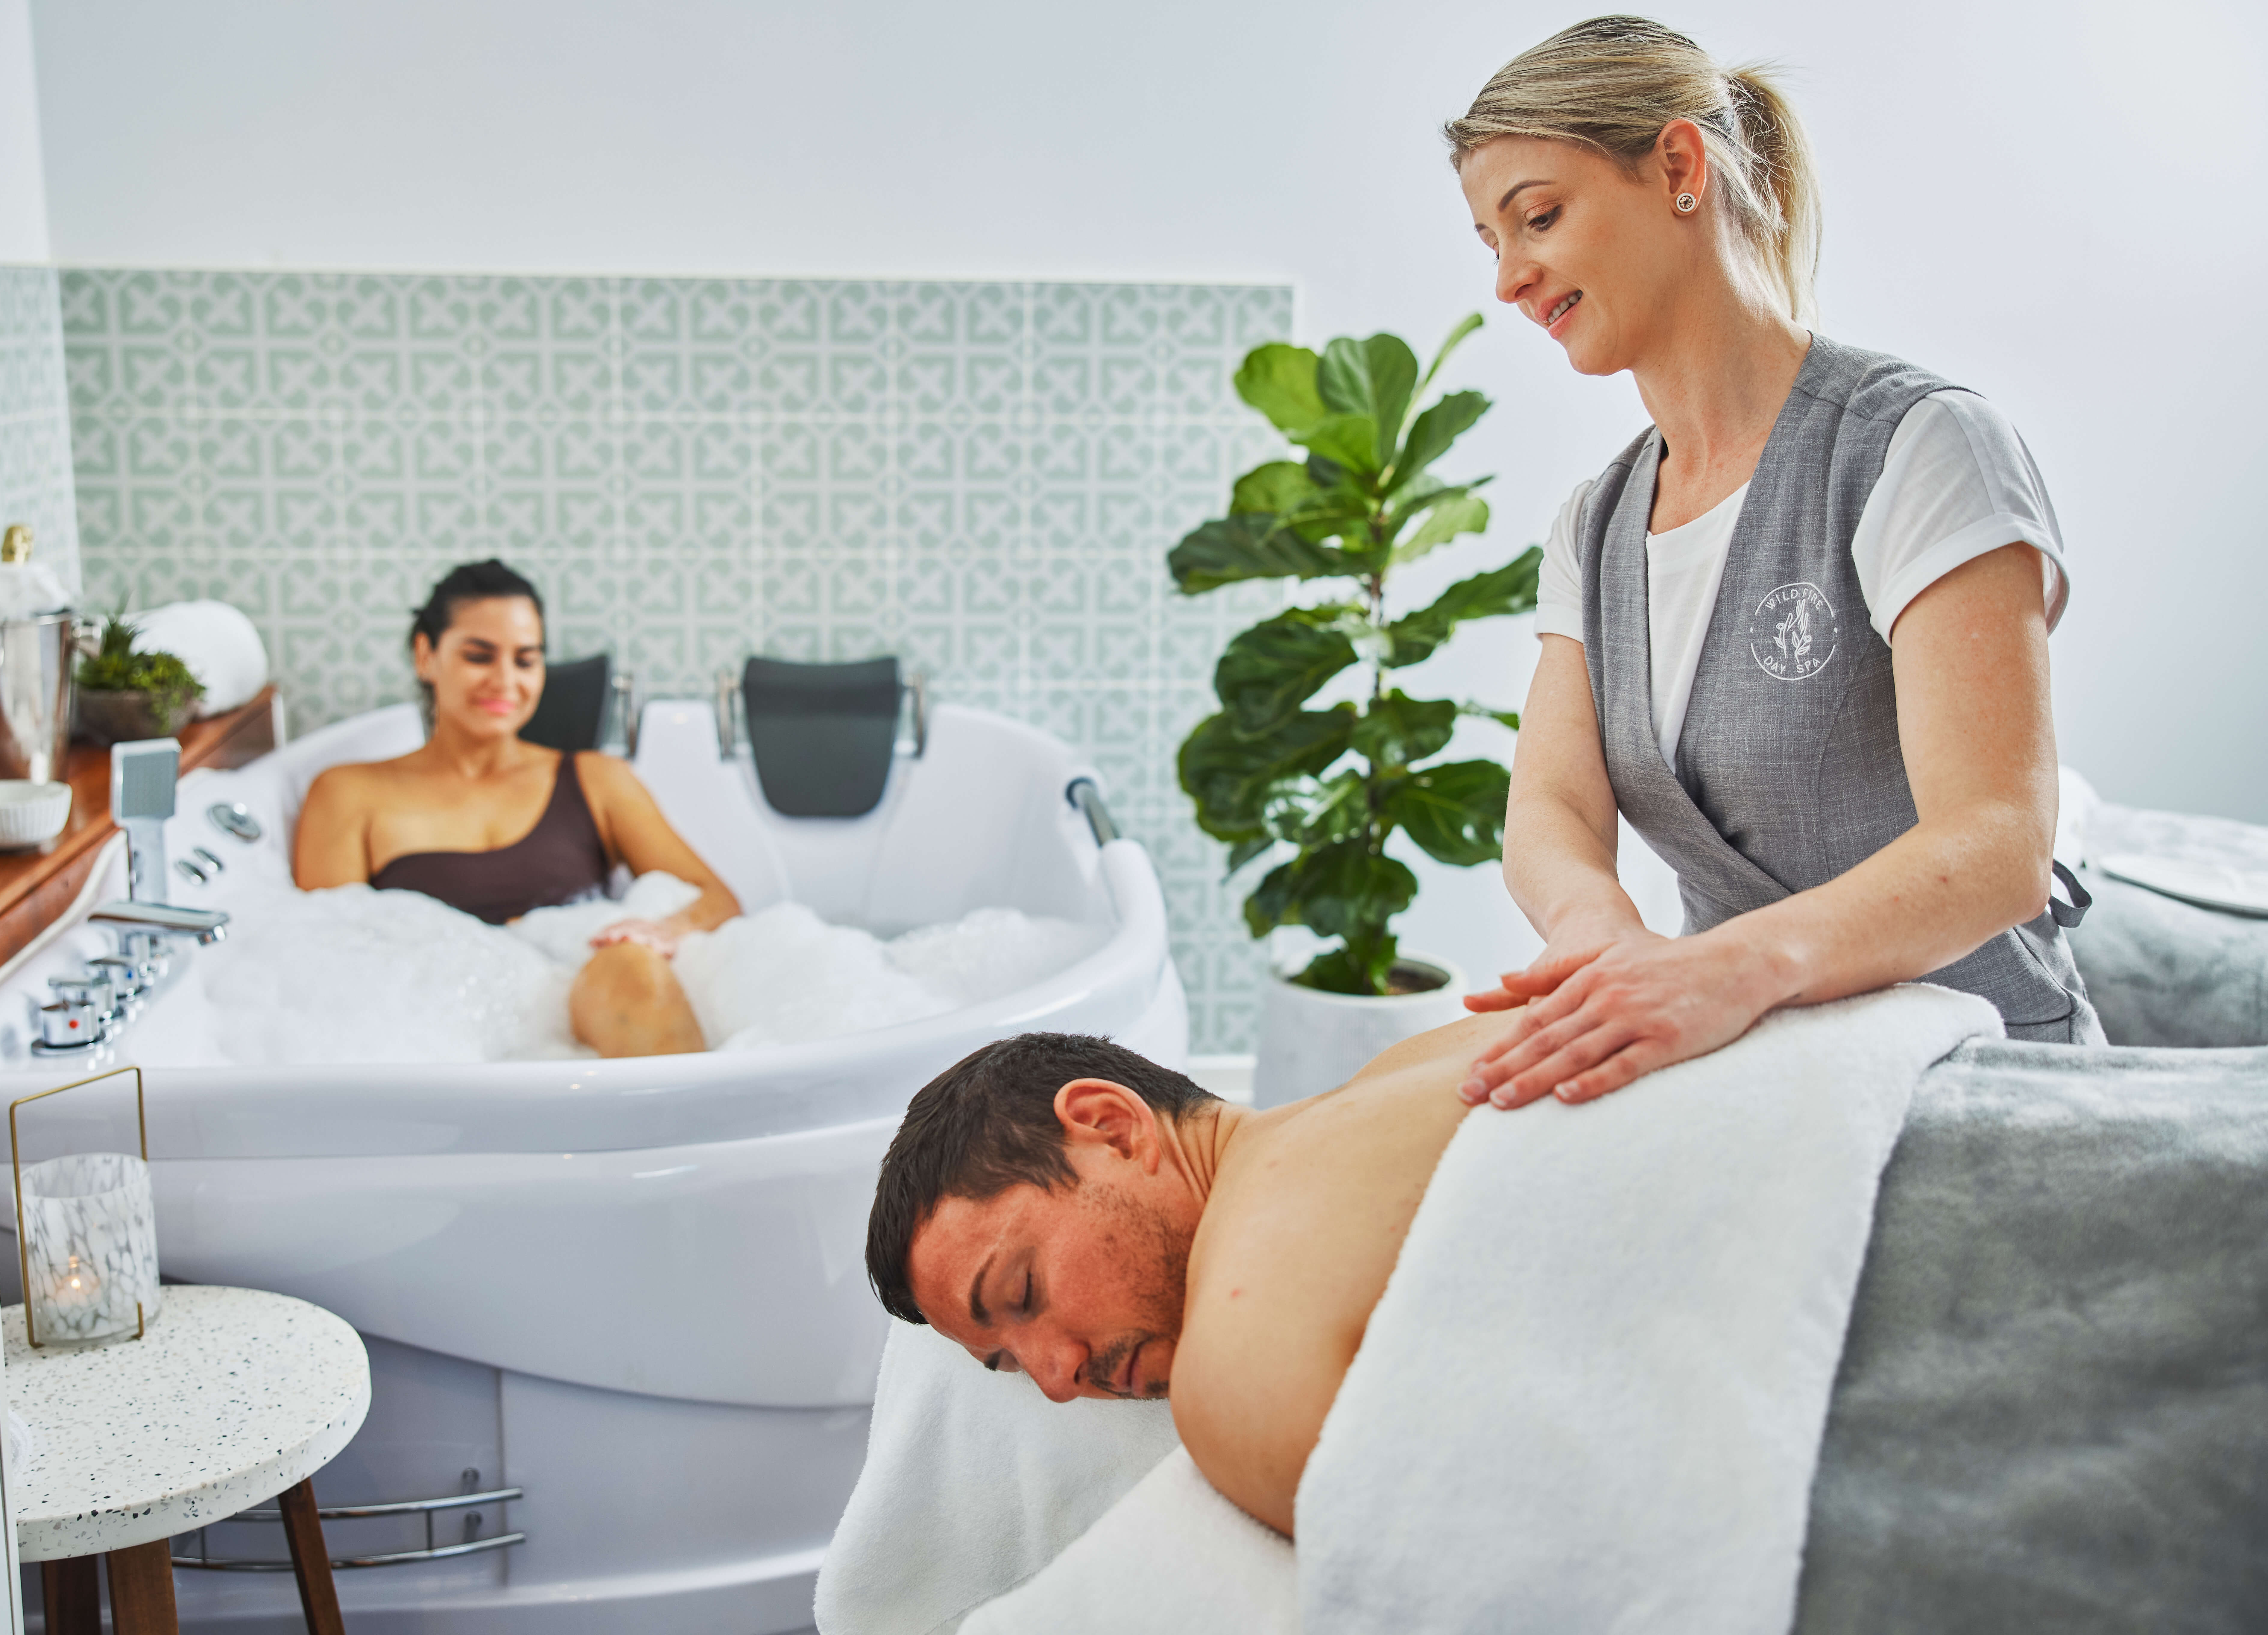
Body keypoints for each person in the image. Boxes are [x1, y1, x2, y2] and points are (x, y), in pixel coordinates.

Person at [1445, 17, 2102, 1117]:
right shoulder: (1595, 524)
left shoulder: (1919, 447)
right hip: (1767, 1083)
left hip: (1985, 1078)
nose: (1511, 279)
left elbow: (1999, 846)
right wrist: (1596, 929)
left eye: (1539, 218)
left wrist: (1727, 970)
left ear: (1678, 169)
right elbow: (1552, 803)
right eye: (1490, 244)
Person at [866, 1025, 1511, 1538]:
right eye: (1006, 1362)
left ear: (1112, 1127)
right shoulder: (1432, 1053)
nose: (1057, 1381)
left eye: (1024, 1291)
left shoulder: (1235, 1370)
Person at [291, 559, 740, 1056]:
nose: (506, 680)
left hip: (592, 1017)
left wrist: (664, 930)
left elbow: (717, 898)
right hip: (434, 1034)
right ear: (426, 656)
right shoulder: (349, 794)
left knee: (633, 966)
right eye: (480, 657)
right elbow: (325, 961)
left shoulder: (595, 780)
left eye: (526, 661)